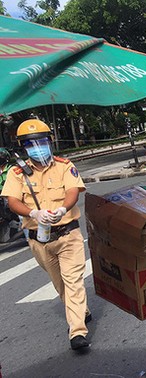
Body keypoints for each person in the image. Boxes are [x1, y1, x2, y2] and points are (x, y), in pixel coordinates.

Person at [0, 119, 91, 351]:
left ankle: (77, 331)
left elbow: (72, 191)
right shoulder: (17, 173)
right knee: (60, 283)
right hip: (38, 239)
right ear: (24, 147)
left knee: (73, 281)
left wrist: (63, 209)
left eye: (41, 141)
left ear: (49, 141)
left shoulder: (64, 165)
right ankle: (81, 311)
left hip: (67, 234)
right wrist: (33, 212)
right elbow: (11, 201)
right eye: (31, 143)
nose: (37, 146)